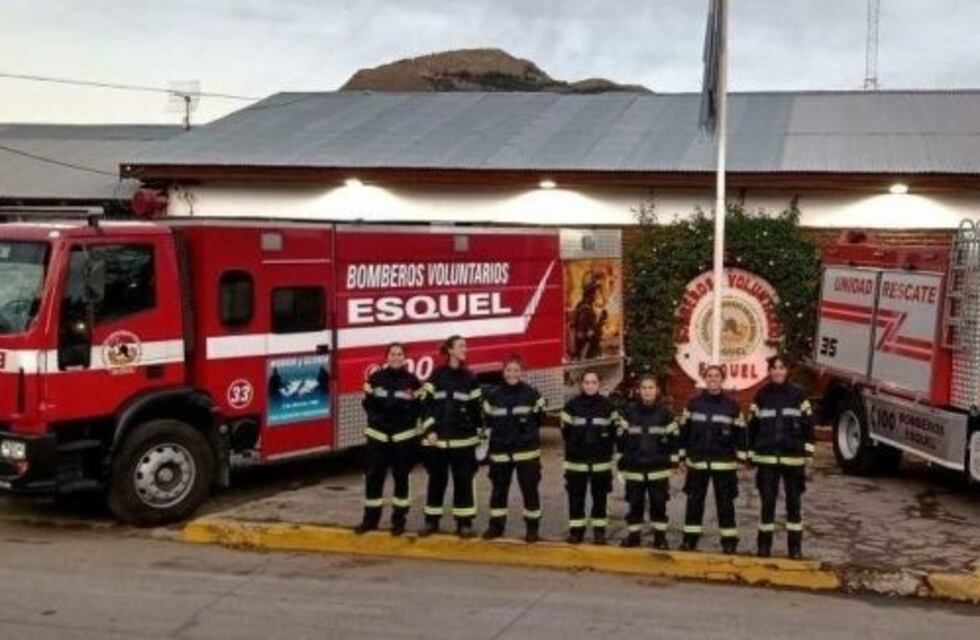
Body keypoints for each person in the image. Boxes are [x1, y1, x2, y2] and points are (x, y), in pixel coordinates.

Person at [747, 355, 815, 559]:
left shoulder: (799, 395)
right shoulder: (761, 396)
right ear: (769, 371)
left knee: (793, 504)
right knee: (767, 503)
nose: (777, 371)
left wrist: (808, 451)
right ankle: (764, 546)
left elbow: (808, 425)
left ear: (787, 371)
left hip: (792, 457)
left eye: (781, 367)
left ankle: (795, 548)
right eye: (774, 368)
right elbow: (753, 427)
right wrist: (751, 454)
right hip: (767, 458)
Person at [678, 365, 748, 554]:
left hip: (723, 463)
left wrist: (742, 458)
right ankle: (690, 540)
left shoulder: (732, 406)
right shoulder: (693, 404)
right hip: (697, 462)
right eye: (709, 376)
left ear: (722, 379)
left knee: (725, 503)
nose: (713, 379)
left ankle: (729, 541)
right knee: (694, 502)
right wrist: (682, 457)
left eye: (717, 376)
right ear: (704, 379)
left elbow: (741, 433)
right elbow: (684, 432)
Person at [418, 335, 482, 538]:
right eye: (461, 346)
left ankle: (464, 523)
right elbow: (425, 404)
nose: (466, 349)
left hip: (463, 441)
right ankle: (431, 521)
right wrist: (430, 430)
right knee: (436, 481)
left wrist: (477, 434)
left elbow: (476, 410)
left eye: (466, 346)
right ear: (451, 350)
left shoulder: (470, 377)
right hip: (438, 441)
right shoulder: (437, 375)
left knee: (463, 481)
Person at [355, 343, 422, 536]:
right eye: (393, 354)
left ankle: (398, 521)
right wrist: (378, 421)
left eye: (400, 354)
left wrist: (405, 422)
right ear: (387, 357)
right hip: (378, 436)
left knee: (402, 479)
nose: (396, 357)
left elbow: (418, 407)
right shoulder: (375, 379)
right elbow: (367, 403)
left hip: (403, 438)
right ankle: (370, 520)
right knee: (374, 478)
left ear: (404, 358)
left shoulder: (412, 381)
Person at [481, 356, 547, 543]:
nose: (512, 373)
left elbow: (540, 419)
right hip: (501, 452)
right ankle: (496, 526)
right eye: (508, 370)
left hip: (527, 453)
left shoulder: (532, 394)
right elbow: (486, 420)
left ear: (521, 372)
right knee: (499, 492)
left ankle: (532, 529)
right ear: (503, 372)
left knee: (530, 492)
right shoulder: (493, 395)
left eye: (515, 370)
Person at [617, 374, 679, 549]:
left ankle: (660, 538)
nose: (647, 391)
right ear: (639, 390)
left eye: (650, 387)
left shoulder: (665, 413)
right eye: (644, 388)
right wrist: (621, 463)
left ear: (657, 390)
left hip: (658, 468)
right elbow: (621, 440)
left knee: (659, 504)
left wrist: (673, 463)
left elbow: (674, 440)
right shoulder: (629, 412)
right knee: (634, 503)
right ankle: (634, 536)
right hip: (634, 467)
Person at [560, 370, 618, 545]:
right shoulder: (571, 407)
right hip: (576, 462)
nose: (590, 386)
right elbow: (565, 433)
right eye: (587, 382)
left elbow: (614, 434)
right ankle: (576, 532)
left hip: (601, 463)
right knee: (576, 498)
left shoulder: (608, 407)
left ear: (599, 385)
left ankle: (599, 532)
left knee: (600, 498)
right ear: (581, 385)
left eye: (593, 382)